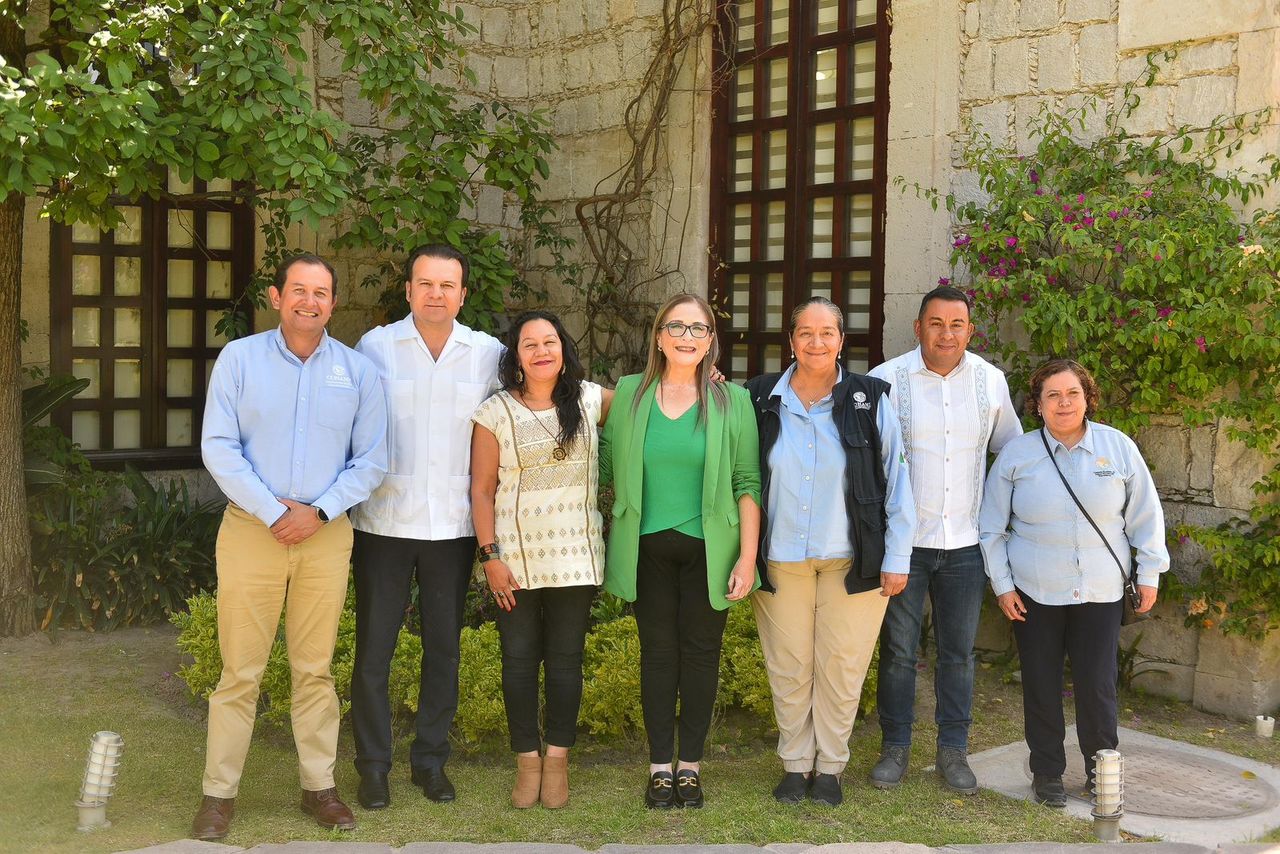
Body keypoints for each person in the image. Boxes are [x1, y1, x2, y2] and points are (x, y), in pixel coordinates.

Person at [192, 253, 388, 840]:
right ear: (277, 297)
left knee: (315, 669)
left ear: (332, 301)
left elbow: (373, 458)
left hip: (326, 534)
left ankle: (318, 788)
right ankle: (218, 796)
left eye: (321, 292)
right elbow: (219, 447)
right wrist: (276, 510)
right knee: (239, 672)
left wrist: (320, 510)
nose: (310, 301)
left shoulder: (358, 372)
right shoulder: (240, 359)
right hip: (253, 529)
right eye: (299, 290)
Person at [745, 297, 916, 807]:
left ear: (842, 341)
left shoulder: (870, 398)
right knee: (789, 666)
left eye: (827, 333)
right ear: (790, 340)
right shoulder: (760, 398)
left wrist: (897, 557)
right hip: (781, 557)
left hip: (854, 558)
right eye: (805, 333)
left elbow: (898, 482)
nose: (816, 342)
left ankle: (831, 769)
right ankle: (796, 765)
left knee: (842, 667)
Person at [348, 244, 502, 808]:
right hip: (383, 523)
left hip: (454, 529)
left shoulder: (488, 354)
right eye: (426, 284)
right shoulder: (375, 348)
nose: (436, 294)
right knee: (374, 652)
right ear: (409, 290)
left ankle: (430, 762)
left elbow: (533, 401)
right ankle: (373, 767)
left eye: (447, 285)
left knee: (444, 650)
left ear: (463, 294)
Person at [979, 358, 1167, 807]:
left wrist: (1150, 572)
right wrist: (1003, 586)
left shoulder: (1117, 448)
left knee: (1097, 686)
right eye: (1053, 396)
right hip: (1034, 592)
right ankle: (1046, 773)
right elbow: (991, 528)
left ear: (1088, 398)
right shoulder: (1017, 456)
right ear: (1037, 405)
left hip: (1099, 592)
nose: (1064, 403)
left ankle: (1101, 768)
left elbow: (1146, 516)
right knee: (1040, 685)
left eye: (1073, 394)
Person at [600, 293, 761, 810]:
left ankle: (689, 767)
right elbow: (598, 461)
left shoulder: (731, 401)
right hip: (646, 548)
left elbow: (747, 480)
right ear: (658, 335)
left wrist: (748, 556)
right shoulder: (627, 393)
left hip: (710, 551)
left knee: (700, 657)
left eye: (698, 328)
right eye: (677, 326)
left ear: (711, 339)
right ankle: (658, 767)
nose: (687, 336)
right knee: (658, 657)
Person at [866, 285, 1022, 793]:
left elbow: (1012, 457)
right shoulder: (885, 381)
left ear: (969, 331)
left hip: (965, 546)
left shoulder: (990, 382)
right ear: (918, 328)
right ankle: (895, 748)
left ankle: (954, 751)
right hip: (903, 546)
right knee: (899, 651)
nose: (946, 333)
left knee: (958, 653)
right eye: (936, 323)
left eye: (957, 324)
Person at [470, 310, 613, 809]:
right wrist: (490, 556)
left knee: (566, 664)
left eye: (549, 341)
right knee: (518, 662)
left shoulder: (594, 400)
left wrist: (711, 379)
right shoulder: (495, 413)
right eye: (529, 345)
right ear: (517, 357)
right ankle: (526, 761)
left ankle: (557, 759)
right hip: (515, 562)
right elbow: (482, 490)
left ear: (563, 348)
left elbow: (659, 403)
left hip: (575, 557)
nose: (541, 351)